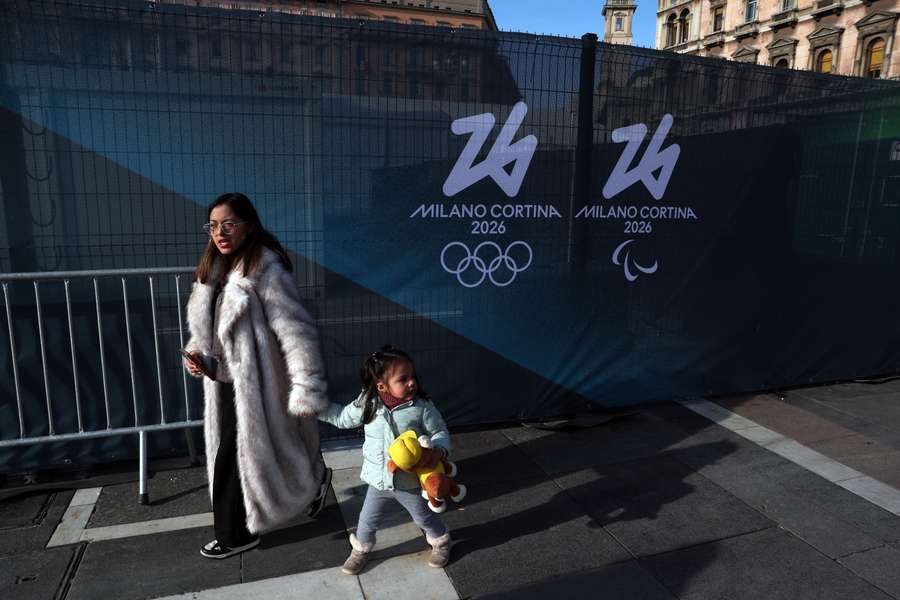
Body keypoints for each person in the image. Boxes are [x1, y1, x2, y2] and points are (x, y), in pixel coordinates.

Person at [182, 192, 332, 559]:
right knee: (261, 453)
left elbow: (296, 330)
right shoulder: (212, 272)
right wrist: (197, 354)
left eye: (229, 224)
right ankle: (315, 481)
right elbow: (209, 331)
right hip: (224, 382)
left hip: (260, 384)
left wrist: (306, 386)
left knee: (236, 460)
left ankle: (235, 535)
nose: (220, 232)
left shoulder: (266, 271)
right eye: (214, 225)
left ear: (248, 226)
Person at [318, 345, 454, 574]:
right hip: (378, 479)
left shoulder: (421, 407)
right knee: (367, 519)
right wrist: (316, 409)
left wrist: (439, 451)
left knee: (423, 516)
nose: (411, 382)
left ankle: (441, 541)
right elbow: (342, 418)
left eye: (412, 376)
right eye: (403, 379)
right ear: (382, 386)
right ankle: (360, 550)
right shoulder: (368, 403)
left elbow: (440, 432)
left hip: (408, 481)